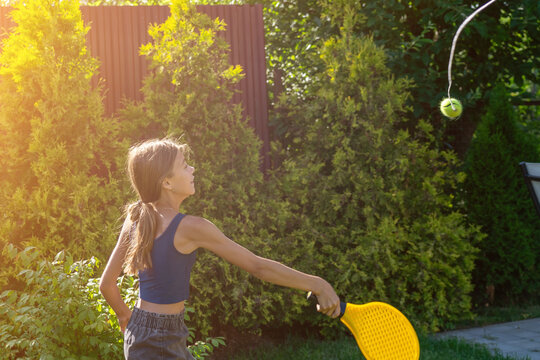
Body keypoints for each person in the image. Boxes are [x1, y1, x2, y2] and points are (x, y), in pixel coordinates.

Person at [99, 138, 340, 360]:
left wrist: (127, 317)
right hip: (161, 339)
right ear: (167, 182)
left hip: (148, 333)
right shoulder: (191, 227)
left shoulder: (136, 218)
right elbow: (257, 267)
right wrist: (317, 284)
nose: (192, 170)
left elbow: (107, 284)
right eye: (184, 166)